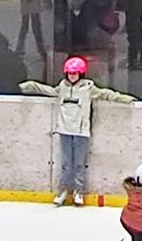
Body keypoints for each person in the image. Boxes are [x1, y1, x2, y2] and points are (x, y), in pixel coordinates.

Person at [18, 55, 128, 206]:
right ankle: (63, 191)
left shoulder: (88, 88)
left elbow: (105, 94)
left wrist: (123, 98)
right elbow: (48, 90)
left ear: (81, 74)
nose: (72, 76)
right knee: (65, 164)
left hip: (81, 132)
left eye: (75, 73)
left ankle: (78, 191)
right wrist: (31, 85)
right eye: (70, 73)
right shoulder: (62, 88)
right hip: (65, 131)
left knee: (78, 164)